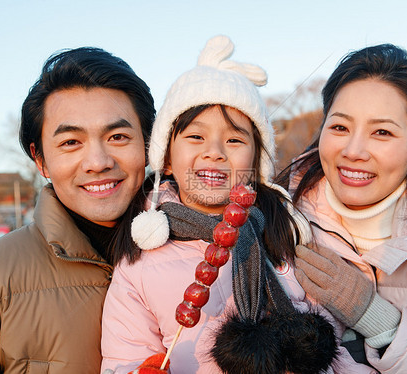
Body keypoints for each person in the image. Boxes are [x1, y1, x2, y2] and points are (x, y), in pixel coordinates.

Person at [101, 35, 375, 374]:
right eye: (195, 136)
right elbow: (124, 357)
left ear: (256, 162)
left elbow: (332, 323)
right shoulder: (138, 266)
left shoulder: (290, 232)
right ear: (167, 159)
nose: (215, 151)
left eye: (234, 139)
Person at [0, 47, 155, 373]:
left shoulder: (209, 253)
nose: (98, 162)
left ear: (148, 144)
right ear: (40, 159)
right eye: (71, 142)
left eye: (117, 136)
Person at [281, 44, 407, 373]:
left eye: (382, 132)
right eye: (340, 127)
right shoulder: (277, 216)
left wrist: (376, 318)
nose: (354, 150)